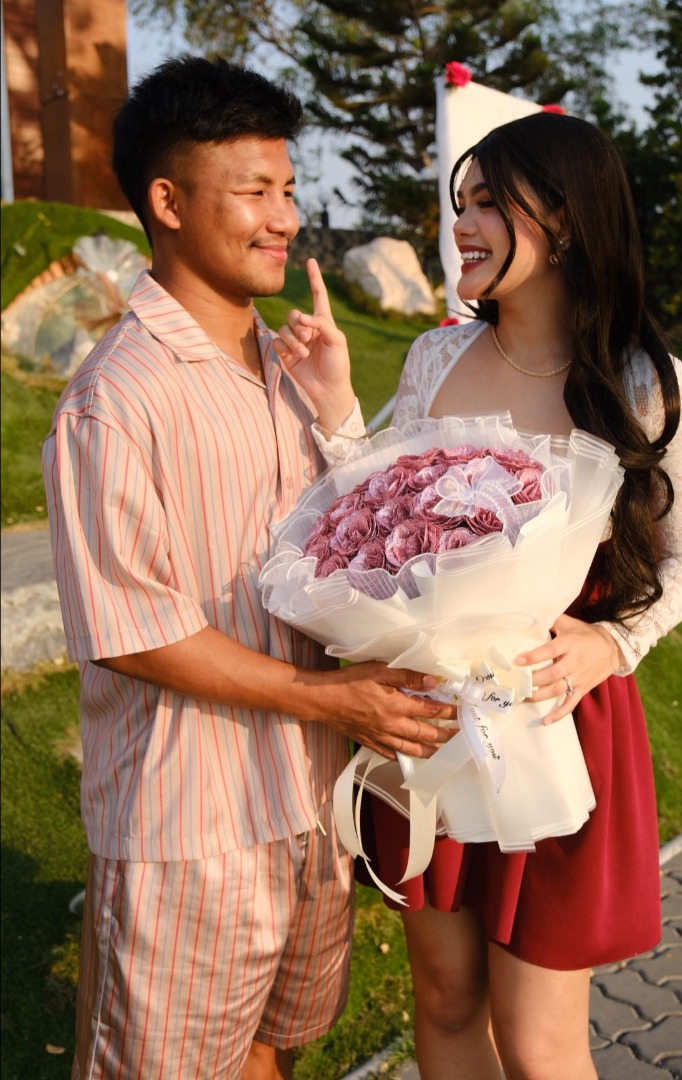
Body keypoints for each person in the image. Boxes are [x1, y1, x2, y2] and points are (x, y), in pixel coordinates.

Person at [42, 56, 454, 1080]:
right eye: (256, 192)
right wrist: (333, 699)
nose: (286, 219)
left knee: (273, 1049)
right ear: (168, 202)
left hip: (311, 806)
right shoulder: (114, 401)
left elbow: (351, 548)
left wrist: (337, 406)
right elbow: (135, 634)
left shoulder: (285, 364)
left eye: (289, 189)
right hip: (191, 829)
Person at [292, 111, 682, 1079]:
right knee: (446, 1001)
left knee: (537, 1041)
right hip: (429, 720)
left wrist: (613, 645)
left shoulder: (648, 383)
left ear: (564, 219)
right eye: (463, 202)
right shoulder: (435, 359)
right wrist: (335, 404)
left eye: (488, 202)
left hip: (557, 714)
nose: (462, 225)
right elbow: (382, 515)